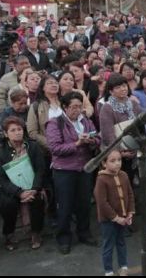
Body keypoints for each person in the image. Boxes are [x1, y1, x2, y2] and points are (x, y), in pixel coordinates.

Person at [46, 91, 101, 255]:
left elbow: (98, 137)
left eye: (79, 106)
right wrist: (77, 143)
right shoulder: (55, 123)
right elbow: (55, 149)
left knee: (84, 204)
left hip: (84, 167)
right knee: (65, 205)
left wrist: (92, 141)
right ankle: (64, 237)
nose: (77, 110)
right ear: (65, 107)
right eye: (73, 107)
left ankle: (84, 233)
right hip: (64, 170)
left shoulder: (86, 121)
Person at [0, 117, 47, 251]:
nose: (17, 132)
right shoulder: (0, 152)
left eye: (20, 129)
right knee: (9, 204)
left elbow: (40, 169)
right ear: (6, 134)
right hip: (11, 189)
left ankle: (36, 233)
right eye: (13, 130)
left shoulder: (32, 147)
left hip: (32, 186)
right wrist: (19, 192)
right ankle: (9, 234)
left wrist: (34, 189)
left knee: (37, 198)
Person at [94, 148, 134, 277]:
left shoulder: (124, 175)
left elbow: (130, 194)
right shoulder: (101, 180)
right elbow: (102, 203)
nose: (117, 163)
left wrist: (130, 213)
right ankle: (109, 271)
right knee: (108, 245)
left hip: (123, 217)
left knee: (121, 242)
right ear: (104, 163)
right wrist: (116, 218)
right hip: (108, 220)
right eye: (112, 161)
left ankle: (123, 266)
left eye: (119, 160)